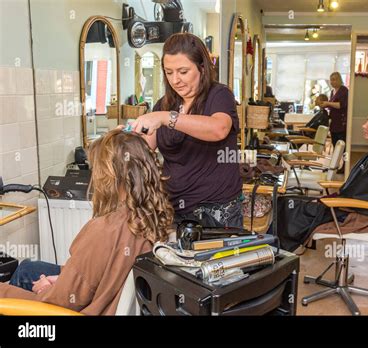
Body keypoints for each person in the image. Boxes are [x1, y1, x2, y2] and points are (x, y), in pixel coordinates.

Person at [0, 130, 174, 315]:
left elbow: (63, 302)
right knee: (27, 268)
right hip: (101, 296)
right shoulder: (152, 214)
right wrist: (62, 279)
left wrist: (47, 290)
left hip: (68, 308)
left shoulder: (104, 229)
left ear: (108, 176)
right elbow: (93, 276)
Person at [130, 33, 243, 228]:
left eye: (183, 71)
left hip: (217, 209)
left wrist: (166, 118)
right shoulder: (163, 104)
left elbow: (219, 129)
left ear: (202, 68)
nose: (175, 80)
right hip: (173, 206)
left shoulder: (219, 95)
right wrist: (126, 137)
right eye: (169, 72)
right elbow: (145, 147)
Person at [276, 107, 368, 252]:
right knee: (286, 200)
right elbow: (358, 191)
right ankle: (280, 253)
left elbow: (366, 198)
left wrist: (329, 201)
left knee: (288, 205)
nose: (364, 125)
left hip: (356, 216)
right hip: (349, 207)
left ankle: (280, 257)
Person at [321, 72, 349, 147]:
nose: (332, 82)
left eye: (334, 80)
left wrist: (328, 103)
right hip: (334, 123)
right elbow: (331, 106)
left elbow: (341, 105)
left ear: (339, 80)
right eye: (331, 80)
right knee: (335, 143)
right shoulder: (332, 91)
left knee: (341, 145)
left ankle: (343, 158)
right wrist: (324, 105)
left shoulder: (344, 90)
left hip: (341, 123)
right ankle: (336, 158)